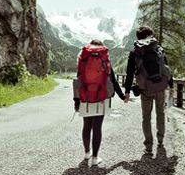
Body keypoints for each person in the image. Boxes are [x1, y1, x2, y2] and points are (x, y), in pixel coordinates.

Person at [73, 39, 125, 166]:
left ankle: (86, 153)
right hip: (101, 96)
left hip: (85, 95)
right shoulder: (104, 58)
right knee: (97, 126)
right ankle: (95, 158)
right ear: (101, 47)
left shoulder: (82, 57)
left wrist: (76, 101)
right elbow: (113, 80)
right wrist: (122, 96)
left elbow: (78, 80)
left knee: (86, 125)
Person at [124, 26, 174, 155]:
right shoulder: (158, 48)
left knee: (146, 117)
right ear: (150, 35)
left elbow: (129, 73)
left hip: (145, 88)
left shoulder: (135, 52)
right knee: (160, 113)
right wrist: (171, 85)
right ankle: (161, 140)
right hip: (160, 88)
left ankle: (148, 145)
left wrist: (127, 92)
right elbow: (167, 68)